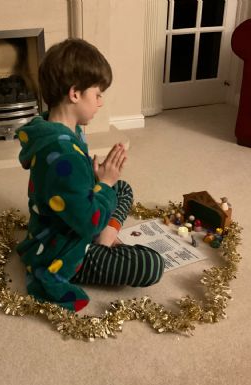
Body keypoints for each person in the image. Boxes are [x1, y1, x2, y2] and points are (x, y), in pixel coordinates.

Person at [16, 38, 164, 311]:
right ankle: (102, 243)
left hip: (72, 217)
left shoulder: (60, 130)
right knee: (150, 265)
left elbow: (70, 187)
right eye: (97, 94)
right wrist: (104, 183)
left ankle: (104, 237)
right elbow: (89, 224)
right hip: (62, 251)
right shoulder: (62, 152)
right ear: (75, 93)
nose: (100, 102)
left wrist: (96, 178)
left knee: (123, 188)